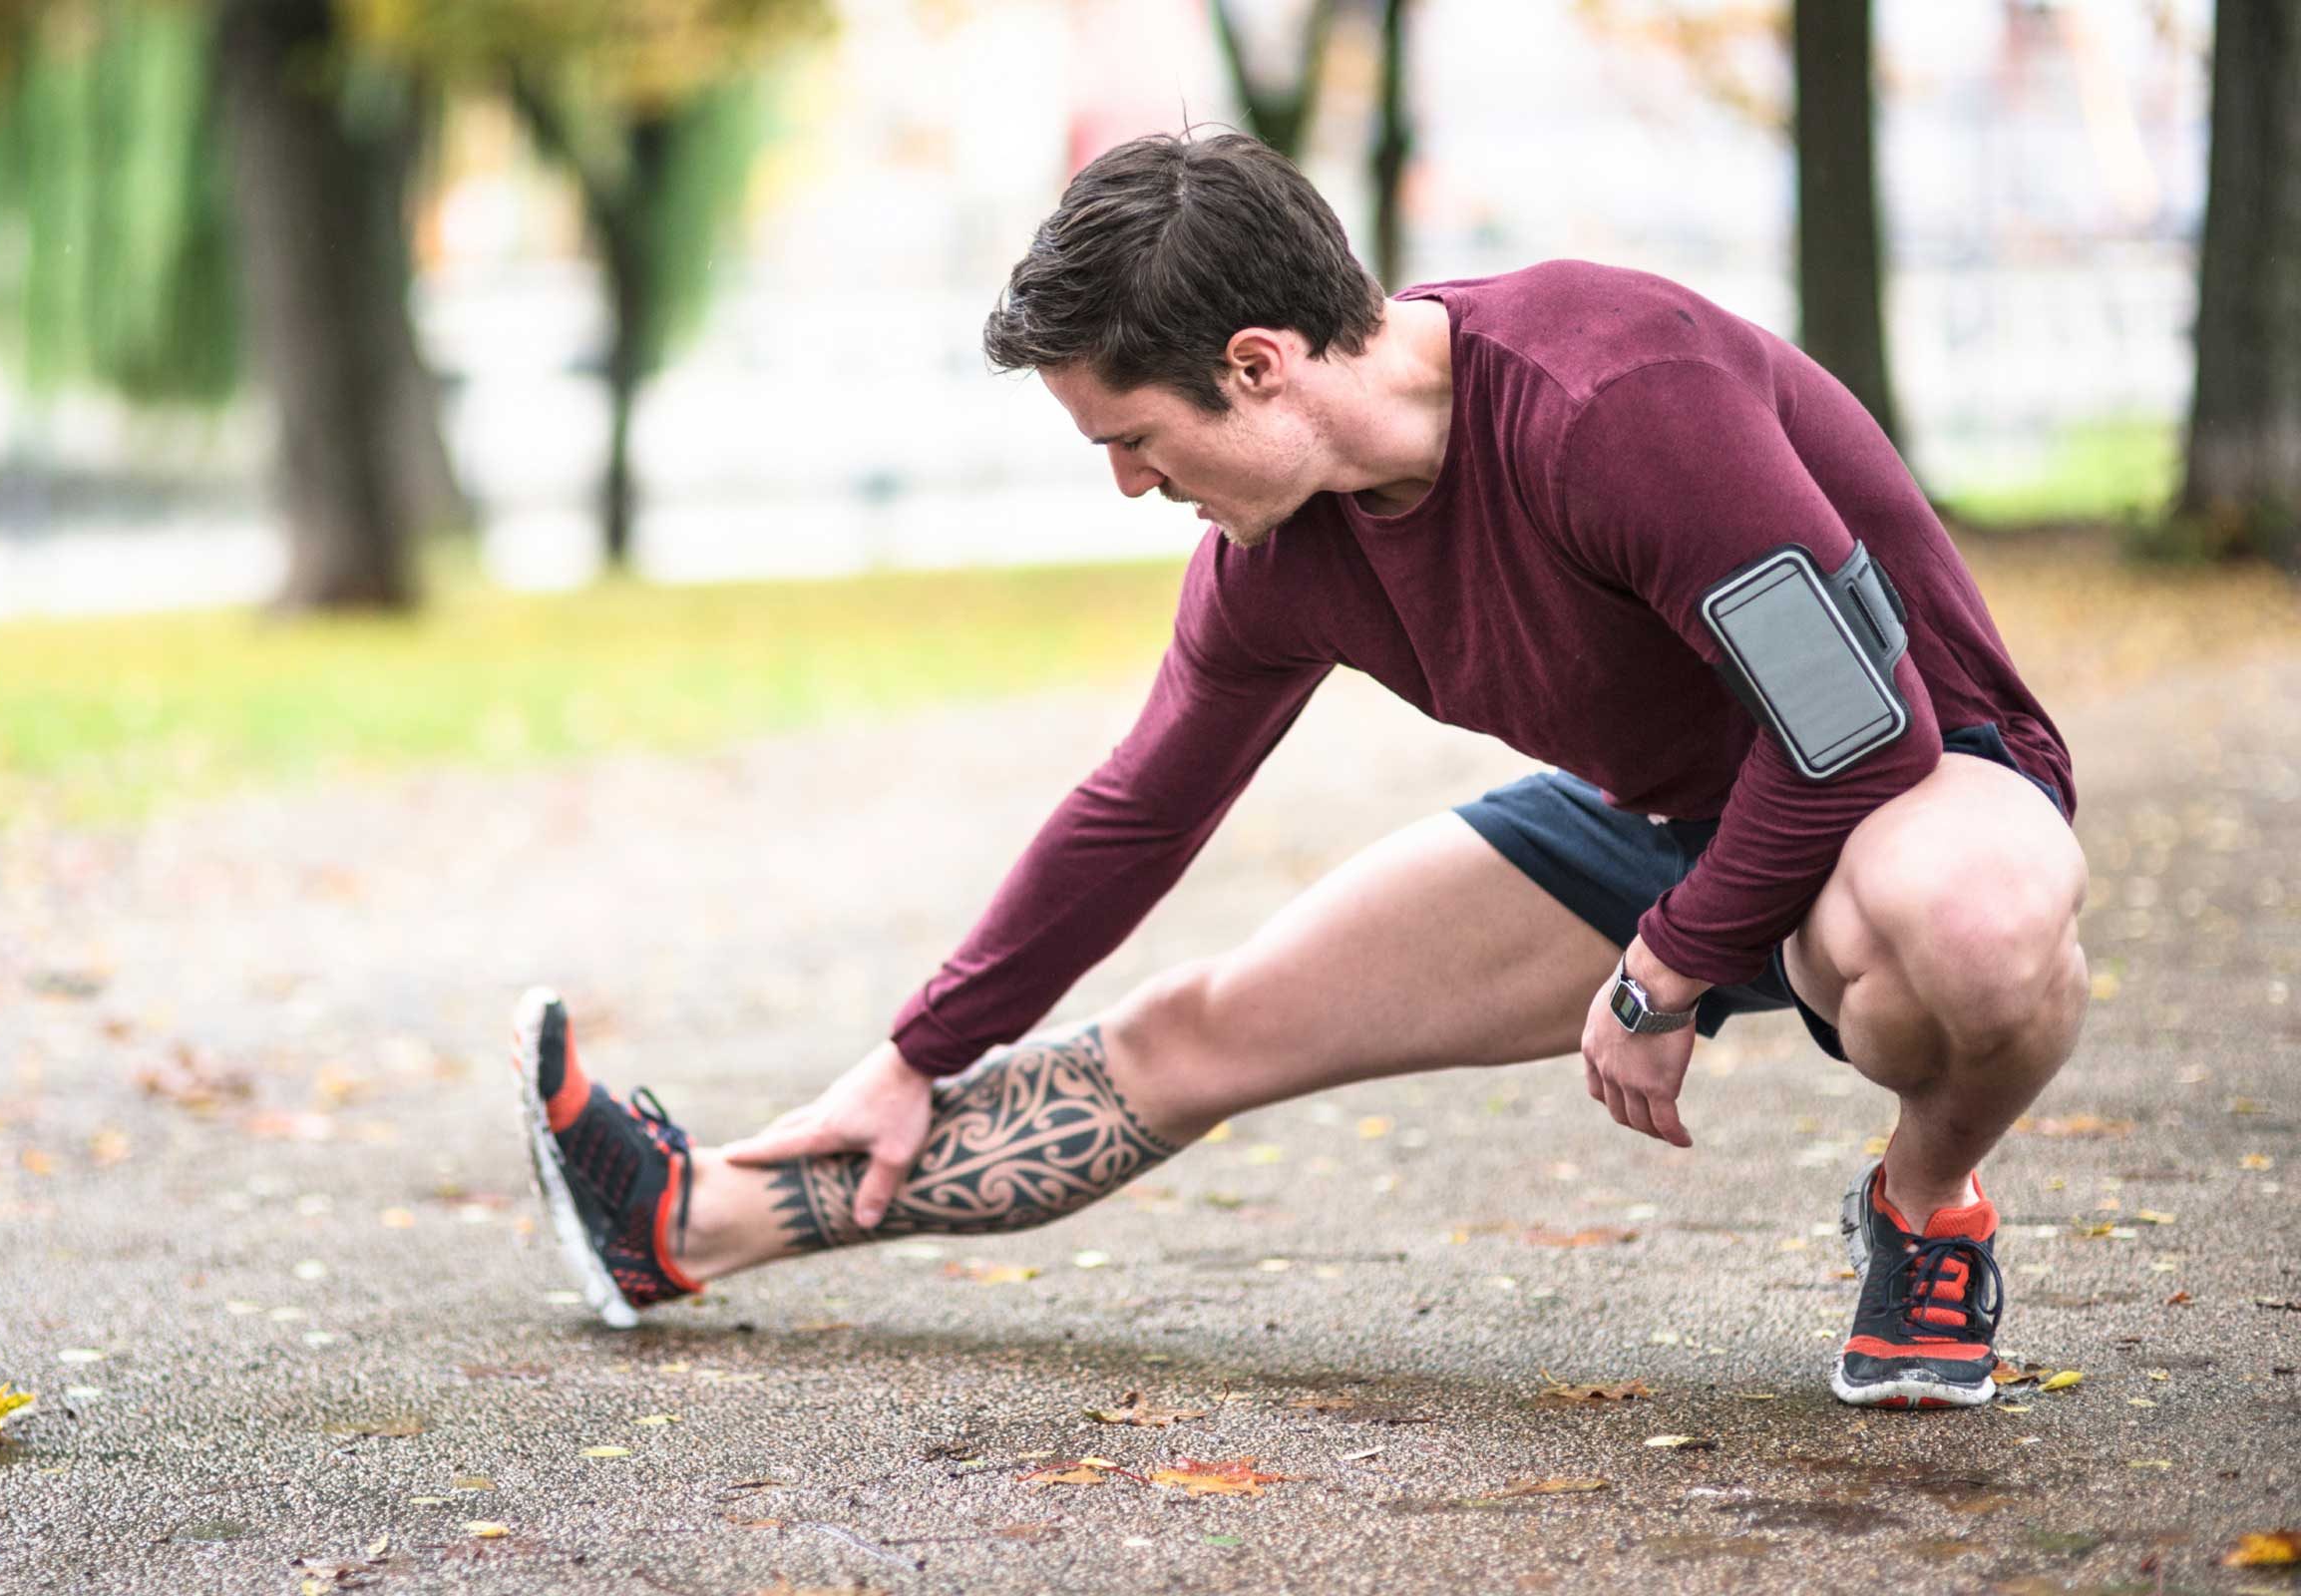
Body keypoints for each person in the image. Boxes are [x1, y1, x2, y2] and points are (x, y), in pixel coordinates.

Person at [509, 130, 2089, 1410]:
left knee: (1954, 938)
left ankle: (1924, 1201)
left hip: (1914, 780)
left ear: (1257, 365)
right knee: (1198, 1032)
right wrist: (923, 1045)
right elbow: (1138, 810)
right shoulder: (1281, 554)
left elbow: (1852, 728)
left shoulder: (1616, 402)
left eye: (1132, 438)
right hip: (1671, 823)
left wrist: (1662, 974)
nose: (1132, 486)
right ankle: (678, 1223)